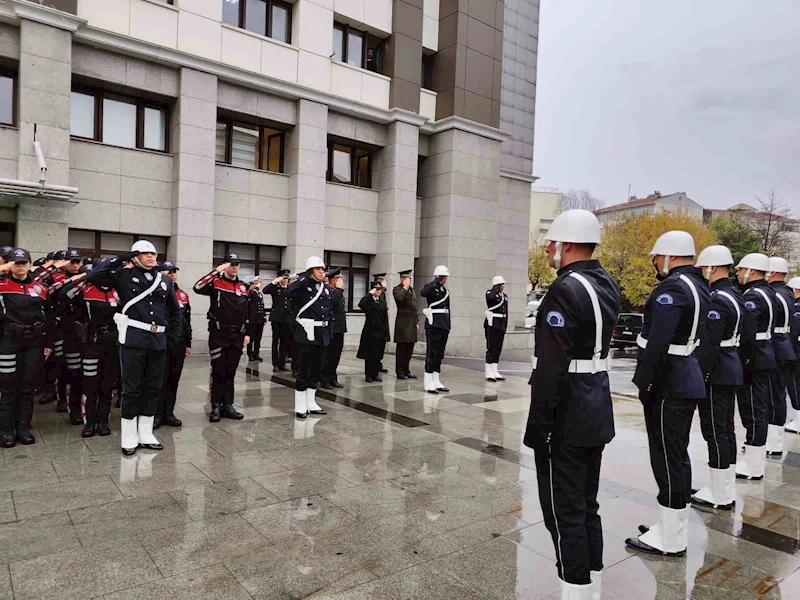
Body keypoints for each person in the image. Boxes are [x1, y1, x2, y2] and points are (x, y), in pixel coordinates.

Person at [523, 210, 619, 600]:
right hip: (595, 405)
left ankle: (575, 590)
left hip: (567, 414)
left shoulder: (565, 290)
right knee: (586, 503)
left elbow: (551, 368)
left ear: (564, 245)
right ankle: (591, 585)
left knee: (564, 511)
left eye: (551, 242)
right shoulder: (605, 283)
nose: (547, 249)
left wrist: (538, 426)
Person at [626, 231, 710, 557]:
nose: (655, 264)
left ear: (670, 256)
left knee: (666, 458)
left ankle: (672, 538)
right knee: (676, 455)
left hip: (668, 382)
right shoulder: (700, 284)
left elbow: (658, 343)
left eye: (657, 257)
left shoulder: (673, 288)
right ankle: (670, 525)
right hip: (684, 375)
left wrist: (644, 383)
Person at [84, 241, 182, 455]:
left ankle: (145, 432)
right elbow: (93, 276)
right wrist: (121, 257)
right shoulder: (123, 275)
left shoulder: (164, 279)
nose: (151, 256)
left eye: (153, 253)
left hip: (158, 340)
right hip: (134, 337)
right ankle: (129, 435)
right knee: (132, 388)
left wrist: (172, 338)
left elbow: (175, 311)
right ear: (135, 256)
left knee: (153, 387)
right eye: (145, 253)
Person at [690, 245, 746, 509]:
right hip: (730, 366)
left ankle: (719, 492)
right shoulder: (734, 294)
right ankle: (724, 486)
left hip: (718, 371)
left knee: (714, 431)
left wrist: (701, 375)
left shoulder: (716, 299)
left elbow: (709, 344)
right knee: (725, 430)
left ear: (711, 267)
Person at [57, 265, 119, 438]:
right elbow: (64, 295)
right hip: (91, 343)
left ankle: (103, 422)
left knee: (107, 385)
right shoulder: (86, 288)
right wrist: (86, 278)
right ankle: (90, 422)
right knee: (90, 383)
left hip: (113, 343)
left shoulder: (118, 290)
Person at [0, 248, 53, 447]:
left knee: (28, 386)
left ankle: (23, 428)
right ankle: (5, 430)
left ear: (30, 264)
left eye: (24, 262)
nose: (20, 266)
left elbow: (48, 316)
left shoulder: (41, 287)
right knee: (7, 386)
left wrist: (48, 342)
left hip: (34, 341)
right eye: (16, 262)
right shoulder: (2, 285)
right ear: (9, 264)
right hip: (9, 341)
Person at [733, 253, 776, 479]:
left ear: (751, 271)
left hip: (754, 357)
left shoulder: (753, 296)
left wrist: (743, 361)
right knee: (759, 408)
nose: (738, 273)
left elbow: (747, 333)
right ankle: (754, 459)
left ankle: (753, 464)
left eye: (741, 269)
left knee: (752, 410)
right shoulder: (769, 292)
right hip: (765, 354)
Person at [193, 254, 249, 423]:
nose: (235, 267)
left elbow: (247, 312)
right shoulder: (215, 283)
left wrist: (247, 333)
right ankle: (215, 406)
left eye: (237, 264)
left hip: (237, 335)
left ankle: (228, 405)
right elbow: (197, 287)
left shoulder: (244, 287)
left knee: (230, 372)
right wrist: (216, 271)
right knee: (218, 371)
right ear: (225, 265)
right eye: (231, 264)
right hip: (219, 334)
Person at [286, 256, 331, 419]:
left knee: (316, 371)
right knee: (303, 371)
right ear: (310, 270)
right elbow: (287, 292)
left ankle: (311, 402)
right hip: (306, 334)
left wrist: (328, 333)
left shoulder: (325, 288)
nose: (321, 272)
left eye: (322, 269)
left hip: (321, 335)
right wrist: (302, 278)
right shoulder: (303, 285)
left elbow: (329, 312)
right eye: (318, 269)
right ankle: (300, 406)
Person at [766, 256, 796, 456]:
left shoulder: (775, 295)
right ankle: (773, 440)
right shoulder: (787, 292)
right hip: (784, 347)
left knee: (773, 396)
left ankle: (773, 442)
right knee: (776, 395)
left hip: (775, 348)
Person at [155, 261, 191, 429]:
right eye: (168, 271)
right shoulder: (155, 293)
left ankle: (169, 413)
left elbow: (187, 321)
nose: (172, 274)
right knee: (158, 379)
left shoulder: (182, 295)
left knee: (173, 378)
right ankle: (156, 415)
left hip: (179, 342)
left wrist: (188, 343)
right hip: (160, 340)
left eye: (174, 271)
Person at [421, 266, 451, 394]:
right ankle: (428, 382)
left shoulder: (444, 290)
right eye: (444, 278)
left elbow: (448, 309)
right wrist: (435, 280)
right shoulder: (431, 287)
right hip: (433, 324)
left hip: (443, 324)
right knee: (432, 353)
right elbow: (423, 292)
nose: (445, 280)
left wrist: (448, 325)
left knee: (439, 353)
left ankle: (436, 379)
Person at [321, 268, 346, 389]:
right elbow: (334, 302)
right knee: (328, 355)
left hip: (339, 328)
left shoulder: (337, 292)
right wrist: (340, 289)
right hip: (331, 328)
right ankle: (325, 379)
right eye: (339, 279)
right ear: (333, 280)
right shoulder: (327, 290)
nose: (341, 281)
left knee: (336, 355)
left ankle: (333, 377)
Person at [358, 282, 388, 382]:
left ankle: (375, 374)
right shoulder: (368, 300)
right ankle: (368, 375)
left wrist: (386, 333)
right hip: (370, 331)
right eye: (376, 289)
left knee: (378, 354)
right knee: (369, 355)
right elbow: (361, 304)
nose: (378, 291)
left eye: (379, 289)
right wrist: (369, 294)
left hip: (380, 331)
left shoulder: (382, 301)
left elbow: (385, 318)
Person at [264, 270, 293, 373]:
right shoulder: (275, 288)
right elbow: (265, 290)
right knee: (275, 342)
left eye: (286, 278)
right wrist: (274, 281)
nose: (285, 280)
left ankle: (282, 363)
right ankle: (275, 364)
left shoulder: (290, 289)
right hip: (277, 318)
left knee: (285, 342)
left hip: (287, 319)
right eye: (283, 278)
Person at [393, 269, 418, 380]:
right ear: (402, 279)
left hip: (412, 322)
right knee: (402, 348)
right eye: (407, 278)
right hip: (403, 323)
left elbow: (414, 307)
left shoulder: (412, 290)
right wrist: (405, 287)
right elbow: (399, 298)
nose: (409, 280)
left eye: (410, 278)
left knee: (409, 348)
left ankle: (406, 369)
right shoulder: (397, 289)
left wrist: (417, 320)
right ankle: (400, 371)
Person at [783, 277, 800, 433]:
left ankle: (799, 422)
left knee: (795, 387)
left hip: (797, 355)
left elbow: (793, 334)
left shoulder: (797, 309)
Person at [484, 275, 509, 382]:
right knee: (491, 347)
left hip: (501, 323)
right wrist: (495, 288)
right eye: (501, 284)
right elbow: (491, 299)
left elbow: (506, 311)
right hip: (492, 323)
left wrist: (505, 325)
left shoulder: (505, 296)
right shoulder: (490, 293)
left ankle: (495, 369)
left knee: (498, 347)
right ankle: (488, 371)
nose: (503, 286)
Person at [373, 274, 390, 374]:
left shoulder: (382, 292)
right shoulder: (376, 291)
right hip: (376, 323)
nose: (382, 281)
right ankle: (375, 365)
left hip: (383, 321)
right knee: (376, 347)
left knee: (381, 345)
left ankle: (379, 364)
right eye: (380, 280)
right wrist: (383, 288)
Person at [246, 276, 266, 362]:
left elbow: (262, 306)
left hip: (260, 320)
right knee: (251, 338)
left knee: (258, 338)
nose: (259, 284)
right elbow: (248, 307)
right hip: (252, 319)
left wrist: (264, 317)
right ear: (252, 284)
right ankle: (250, 354)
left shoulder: (259, 294)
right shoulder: (251, 293)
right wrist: (247, 318)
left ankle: (256, 353)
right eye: (257, 282)